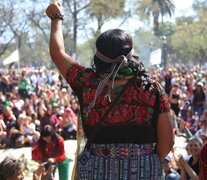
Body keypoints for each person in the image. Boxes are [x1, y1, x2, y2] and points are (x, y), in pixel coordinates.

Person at [46, 1, 174, 179]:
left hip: (97, 171)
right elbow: (168, 141)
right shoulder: (151, 88)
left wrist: (56, 17)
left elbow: (57, 53)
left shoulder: (87, 82)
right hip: (143, 170)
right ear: (131, 54)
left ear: (98, 56)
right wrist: (141, 161)